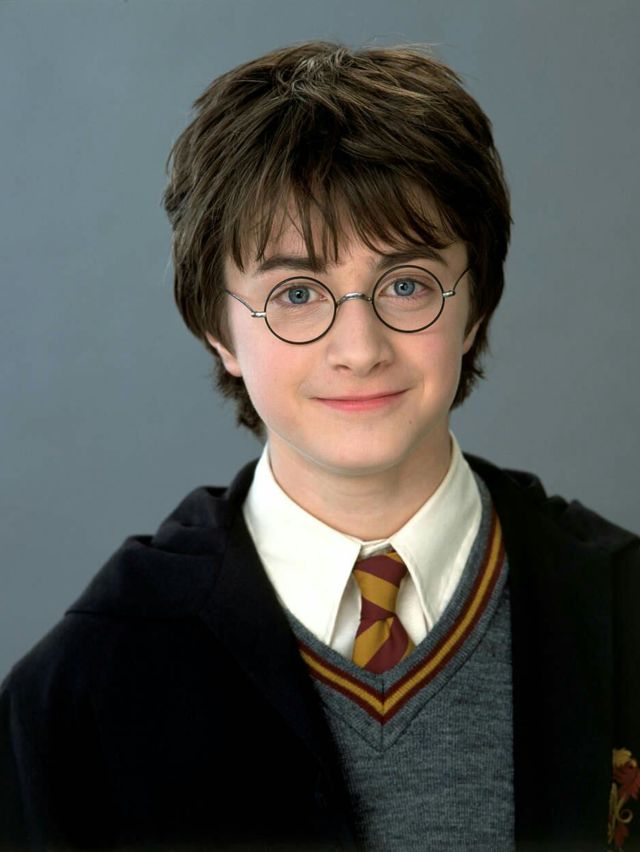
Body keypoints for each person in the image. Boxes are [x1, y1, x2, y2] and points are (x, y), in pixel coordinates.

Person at [1, 41, 638, 852]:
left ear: (475, 302)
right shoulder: (87, 684)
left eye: (406, 283)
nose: (359, 348)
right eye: (296, 293)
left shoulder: (619, 606)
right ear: (217, 328)